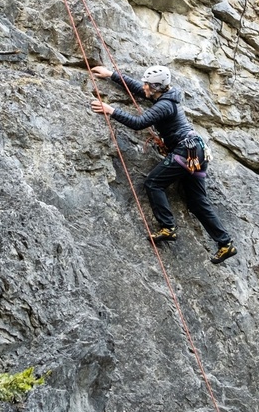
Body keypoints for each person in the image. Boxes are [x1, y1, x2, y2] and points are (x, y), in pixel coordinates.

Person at [89, 64, 237, 264]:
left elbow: (139, 123)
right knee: (196, 202)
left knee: (153, 183)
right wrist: (112, 75)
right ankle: (225, 243)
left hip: (185, 151)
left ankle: (168, 228)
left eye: (147, 84)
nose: (144, 87)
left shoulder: (164, 105)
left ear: (156, 87)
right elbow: (139, 90)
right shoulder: (165, 96)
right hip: (196, 151)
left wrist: (111, 110)